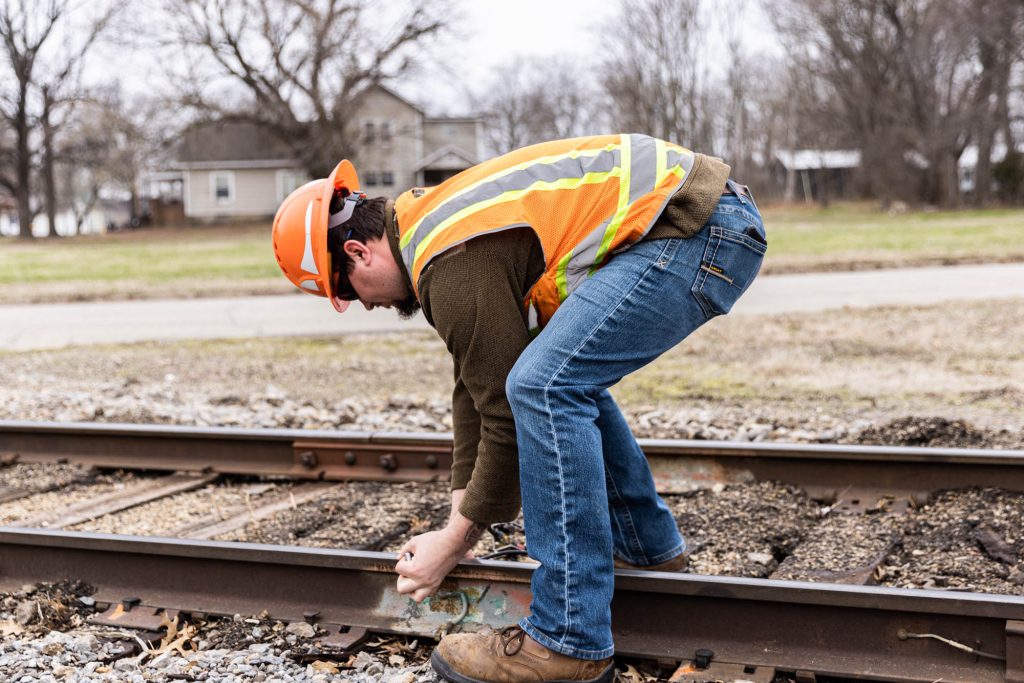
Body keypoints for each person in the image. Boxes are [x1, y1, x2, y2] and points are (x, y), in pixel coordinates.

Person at [271, 135, 766, 683]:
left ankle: (569, 638)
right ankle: (647, 550)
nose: (366, 304)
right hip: (704, 219)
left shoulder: (446, 259)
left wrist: (456, 541)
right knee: (559, 378)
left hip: (695, 228)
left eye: (350, 292)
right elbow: (476, 382)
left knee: (543, 387)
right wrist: (458, 514)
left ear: (357, 252)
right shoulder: (426, 227)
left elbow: (505, 406)